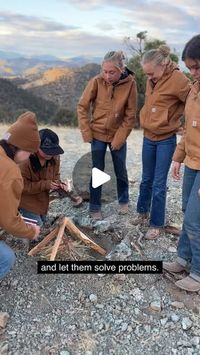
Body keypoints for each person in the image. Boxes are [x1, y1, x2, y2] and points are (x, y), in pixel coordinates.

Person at [134, 45, 190, 240]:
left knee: (159, 183)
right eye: (146, 74)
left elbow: (192, 101)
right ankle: (142, 212)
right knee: (146, 179)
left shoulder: (179, 79)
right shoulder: (152, 78)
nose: (148, 78)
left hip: (166, 139)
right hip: (148, 136)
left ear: (164, 65)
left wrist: (181, 122)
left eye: (151, 74)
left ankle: (156, 223)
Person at [78, 50, 137, 220]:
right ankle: (95, 206)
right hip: (97, 134)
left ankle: (124, 200)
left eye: (112, 72)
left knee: (120, 169)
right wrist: (86, 131)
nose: (108, 76)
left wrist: (119, 138)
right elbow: (82, 106)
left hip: (117, 134)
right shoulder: (96, 81)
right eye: (105, 71)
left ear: (121, 69)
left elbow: (130, 115)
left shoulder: (130, 84)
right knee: (97, 170)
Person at [163, 35, 200, 292]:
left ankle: (198, 272)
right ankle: (183, 259)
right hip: (192, 161)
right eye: (190, 68)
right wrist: (178, 158)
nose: (194, 73)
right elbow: (187, 130)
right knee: (187, 211)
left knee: (197, 218)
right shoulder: (193, 92)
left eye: (198, 66)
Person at [0, 112, 41, 280]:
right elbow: (9, 222)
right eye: (30, 153)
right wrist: (30, 232)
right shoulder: (10, 171)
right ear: (21, 147)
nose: (28, 158)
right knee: (6, 259)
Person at [19, 128, 67, 226]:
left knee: (43, 225)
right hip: (24, 201)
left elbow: (56, 175)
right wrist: (45, 184)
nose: (50, 154)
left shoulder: (54, 156)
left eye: (52, 150)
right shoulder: (24, 160)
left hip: (42, 201)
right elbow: (21, 186)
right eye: (46, 151)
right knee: (37, 230)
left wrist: (59, 185)